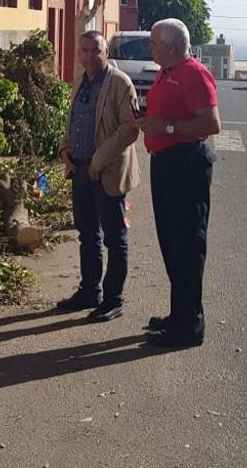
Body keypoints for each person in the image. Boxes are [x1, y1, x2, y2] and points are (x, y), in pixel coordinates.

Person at [136, 19, 221, 347]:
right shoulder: (167, 71)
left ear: (171, 47)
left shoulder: (193, 73)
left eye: (154, 42)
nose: (150, 48)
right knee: (171, 243)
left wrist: (166, 127)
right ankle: (180, 315)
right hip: (167, 164)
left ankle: (189, 327)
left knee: (187, 245)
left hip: (185, 164)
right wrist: (148, 119)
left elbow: (212, 123)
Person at [57, 31, 141, 323]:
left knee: (114, 239)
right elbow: (74, 119)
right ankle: (89, 291)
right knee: (87, 235)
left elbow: (129, 129)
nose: (90, 56)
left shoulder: (119, 83)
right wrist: (65, 149)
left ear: (106, 52)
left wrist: (98, 160)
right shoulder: (80, 80)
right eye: (84, 50)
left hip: (106, 173)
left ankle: (113, 298)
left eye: (96, 50)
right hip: (79, 170)